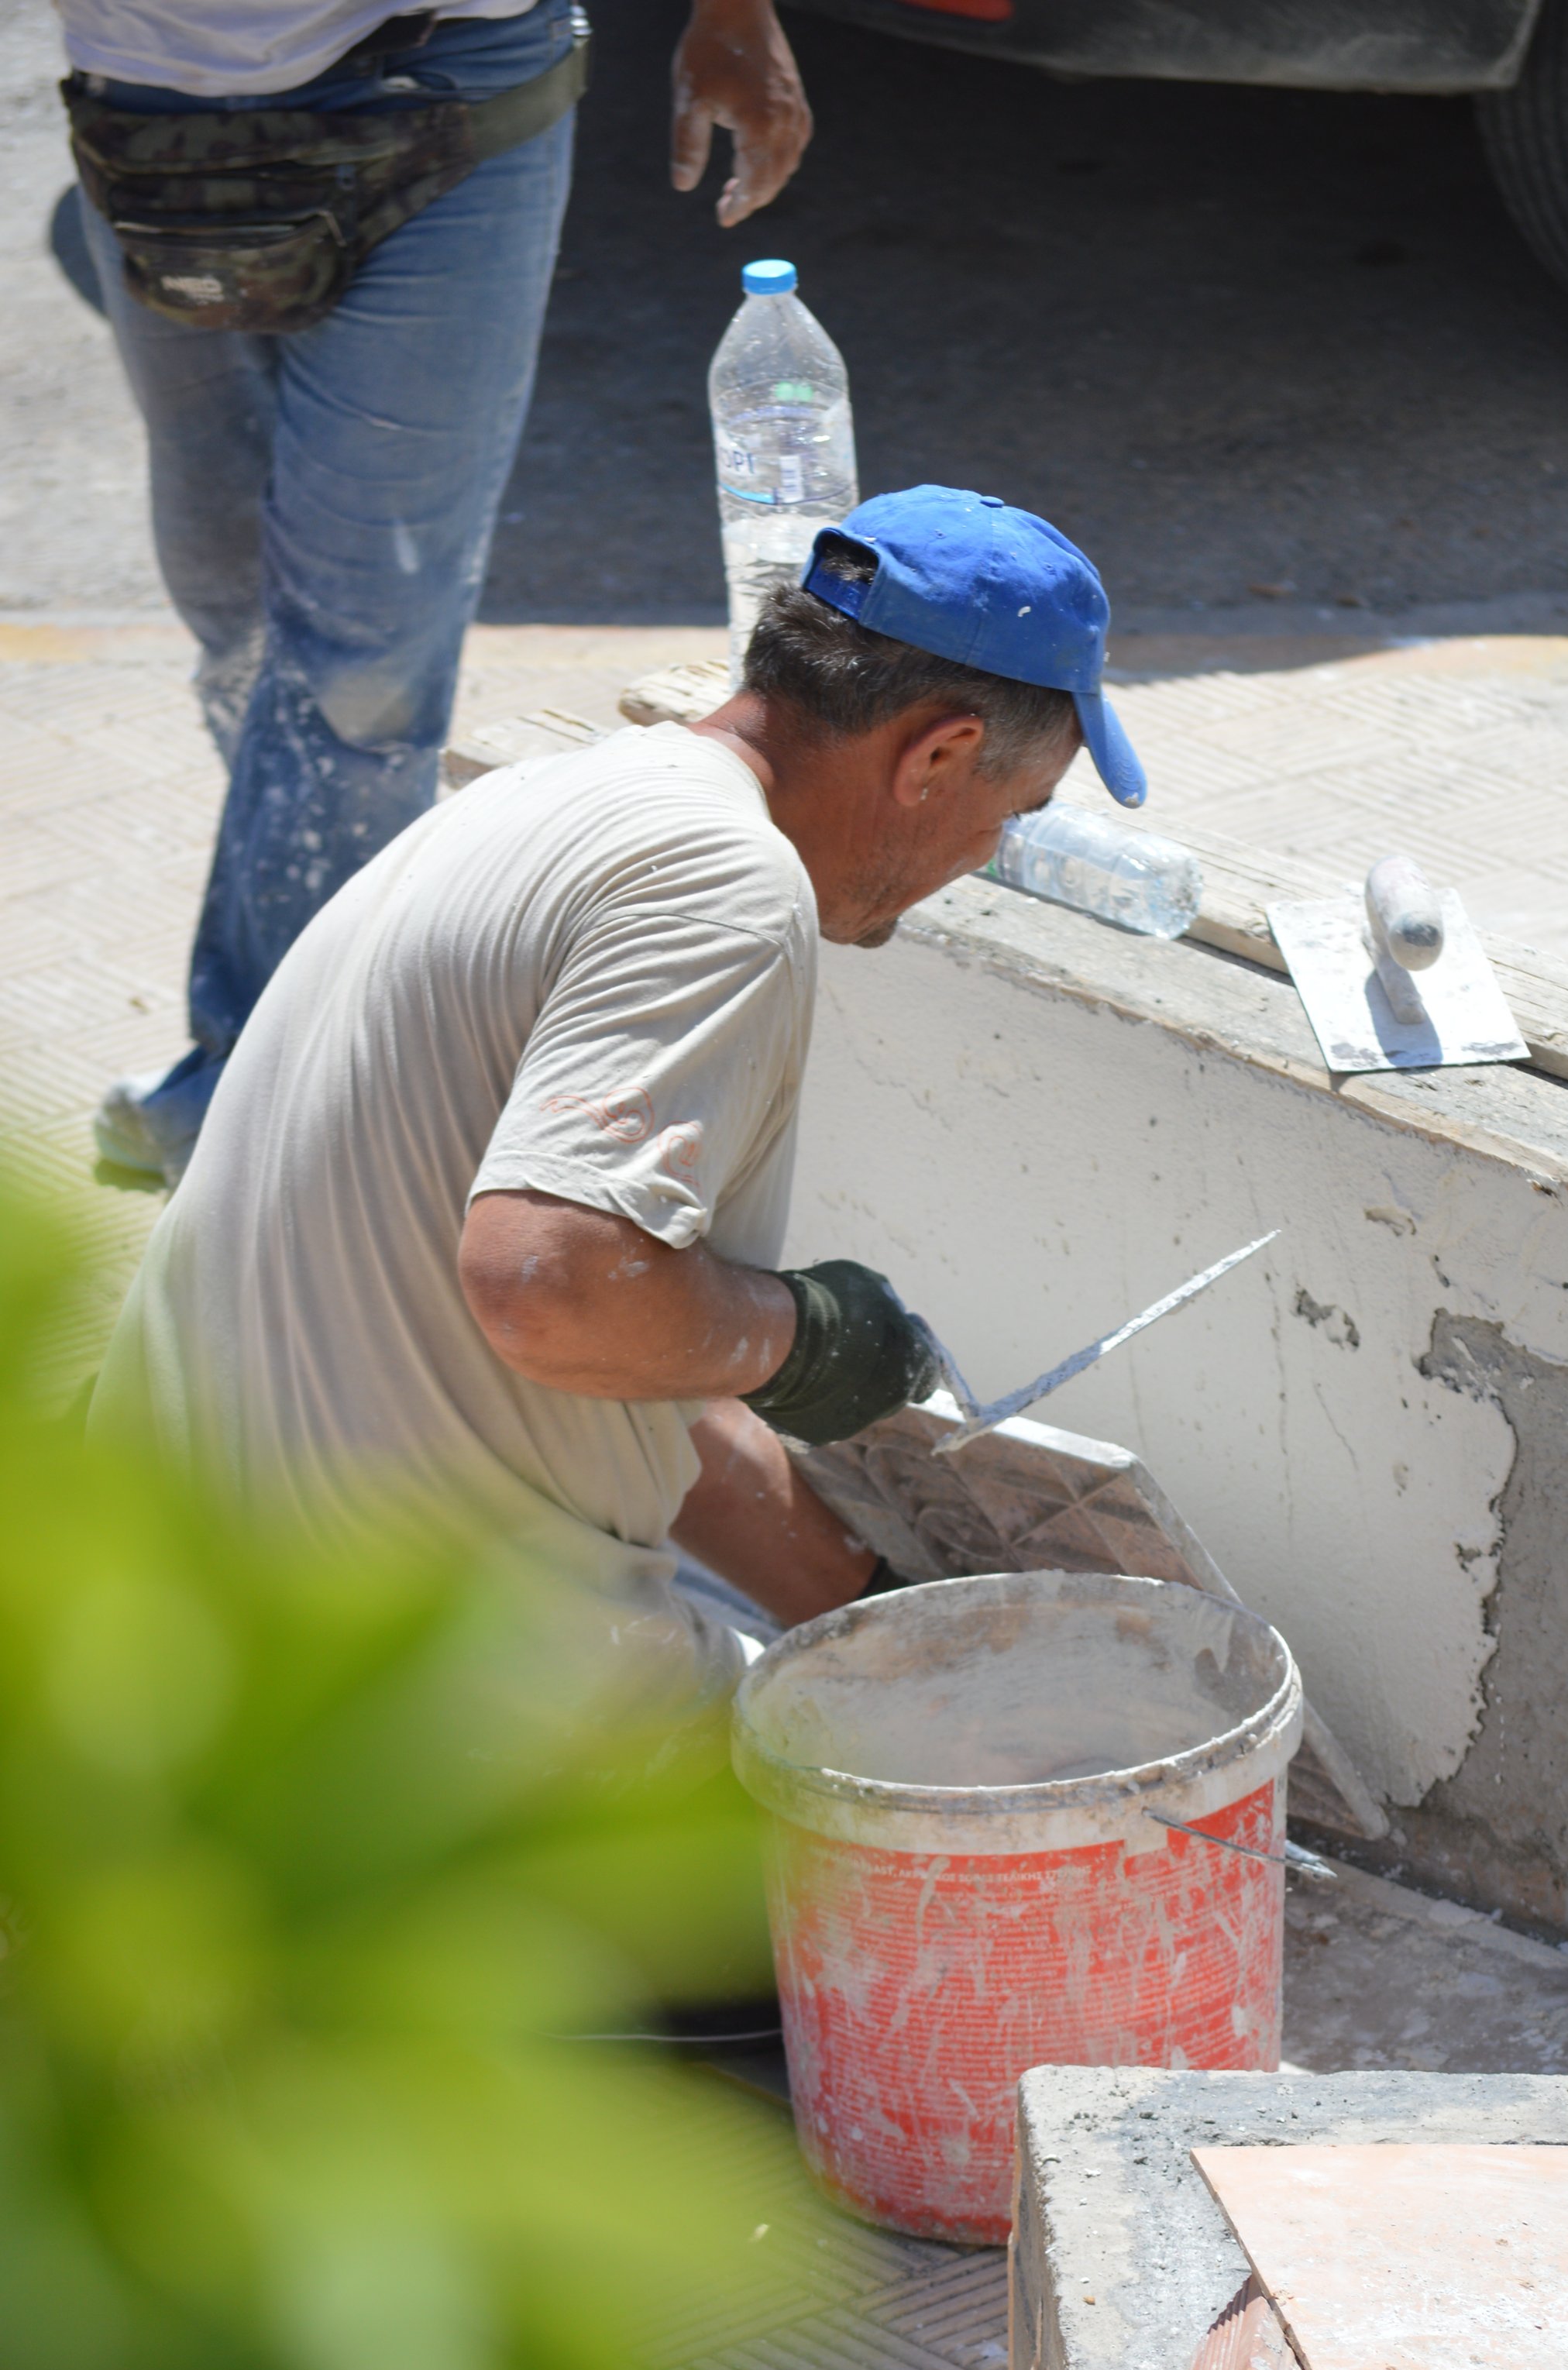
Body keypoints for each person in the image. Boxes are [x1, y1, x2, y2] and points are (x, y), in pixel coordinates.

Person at [91, 485, 1150, 1728]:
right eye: (1010, 819)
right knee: (953, 1838)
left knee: (861, 1691)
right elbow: (553, 1288)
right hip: (385, 1731)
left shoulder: (536, 807)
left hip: (138, 1635)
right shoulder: (728, 888)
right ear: (939, 754)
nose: (982, 860)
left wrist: (864, 1602)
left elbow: (620, 1349)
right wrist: (800, 1338)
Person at [61, 0, 812, 1187]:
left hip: (447, 90)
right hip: (146, 91)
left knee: (361, 662)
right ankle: (370, 1008)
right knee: (238, 619)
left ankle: (290, 1091)